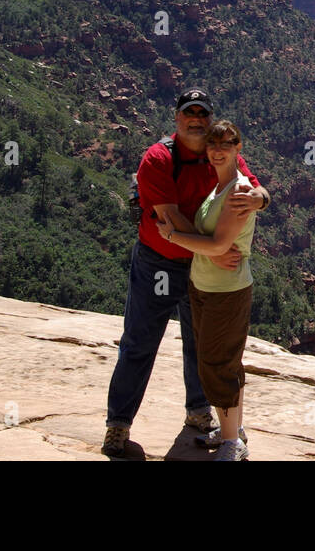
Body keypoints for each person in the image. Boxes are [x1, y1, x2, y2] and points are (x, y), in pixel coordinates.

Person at [103, 88, 270, 459]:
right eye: (188, 113)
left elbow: (252, 186)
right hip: (159, 264)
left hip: (202, 268)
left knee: (201, 343)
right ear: (176, 118)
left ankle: (199, 412)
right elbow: (172, 219)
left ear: (209, 120)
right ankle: (118, 425)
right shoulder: (158, 158)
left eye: (202, 113)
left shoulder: (219, 153)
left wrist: (262, 198)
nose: (195, 119)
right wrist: (215, 250)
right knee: (139, 343)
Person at [156, 119, 260, 461]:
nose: (218, 150)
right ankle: (234, 430)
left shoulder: (239, 192)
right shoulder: (219, 187)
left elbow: (218, 244)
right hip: (204, 287)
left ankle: (232, 445)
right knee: (222, 362)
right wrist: (209, 251)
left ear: (238, 149)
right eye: (213, 144)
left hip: (226, 292)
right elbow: (213, 247)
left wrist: (171, 236)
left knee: (218, 365)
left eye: (226, 144)